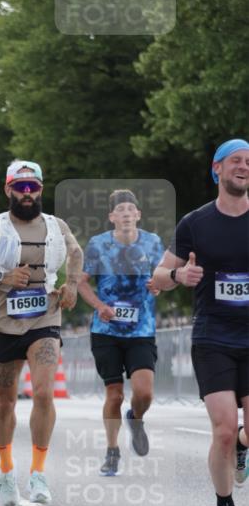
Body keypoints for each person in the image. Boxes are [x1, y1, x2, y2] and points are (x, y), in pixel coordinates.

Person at [152, 138, 249, 506]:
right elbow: (157, 277)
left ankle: (244, 445)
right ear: (218, 169)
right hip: (214, 338)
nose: (244, 167)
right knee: (223, 429)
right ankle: (223, 505)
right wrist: (179, 275)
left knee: (241, 434)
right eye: (237, 161)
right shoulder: (195, 223)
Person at [0, 160, 83, 506]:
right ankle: (7, 470)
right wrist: (2, 279)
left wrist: (71, 284)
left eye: (34, 188)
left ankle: (39, 472)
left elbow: (75, 252)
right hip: (4, 323)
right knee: (5, 401)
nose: (27, 194)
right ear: (9, 190)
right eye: (21, 187)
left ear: (41, 189)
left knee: (43, 394)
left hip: (45, 317)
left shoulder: (56, 226)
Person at [78, 190, 164, 475]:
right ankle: (112, 451)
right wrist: (99, 305)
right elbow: (81, 282)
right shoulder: (97, 244)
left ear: (138, 215)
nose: (126, 213)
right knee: (114, 394)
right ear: (112, 217)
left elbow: (163, 277)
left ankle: (136, 417)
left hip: (141, 329)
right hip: (106, 330)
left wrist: (158, 285)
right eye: (121, 210)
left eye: (131, 209)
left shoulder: (152, 243)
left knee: (144, 392)